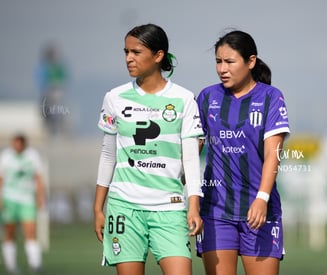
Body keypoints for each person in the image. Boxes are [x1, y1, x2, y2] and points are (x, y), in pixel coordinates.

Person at [93, 24, 204, 275]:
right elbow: (108, 155)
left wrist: (194, 205)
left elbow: (191, 157)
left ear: (158, 55)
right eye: (126, 52)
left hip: (170, 207)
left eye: (136, 52)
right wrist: (98, 208)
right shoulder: (114, 97)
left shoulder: (184, 98)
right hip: (124, 207)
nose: (128, 58)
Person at [196, 30, 290, 275]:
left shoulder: (271, 98)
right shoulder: (207, 97)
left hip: (259, 210)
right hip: (215, 211)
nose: (222, 69)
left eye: (229, 61)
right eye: (218, 61)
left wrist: (262, 198)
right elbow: (192, 149)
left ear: (250, 62)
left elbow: (273, 155)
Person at [0, 134, 46, 274]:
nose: (17, 146)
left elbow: (38, 178)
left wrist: (40, 197)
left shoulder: (32, 156)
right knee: (9, 232)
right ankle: (11, 266)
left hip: (27, 199)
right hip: (9, 199)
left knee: (30, 231)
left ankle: (35, 264)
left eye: (20, 144)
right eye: (15, 144)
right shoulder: (5, 156)